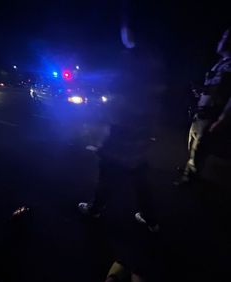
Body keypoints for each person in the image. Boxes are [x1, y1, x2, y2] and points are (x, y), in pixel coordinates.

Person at [78, 26, 163, 231]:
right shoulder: (155, 62)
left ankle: (94, 210)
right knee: (139, 176)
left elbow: (118, 99)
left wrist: (101, 135)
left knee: (108, 173)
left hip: (124, 131)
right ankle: (151, 220)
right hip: (141, 132)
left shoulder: (131, 60)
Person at [178, 28, 231, 185]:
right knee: (193, 145)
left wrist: (223, 119)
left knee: (199, 150)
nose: (221, 41)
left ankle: (190, 180)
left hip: (211, 115)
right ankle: (190, 170)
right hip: (201, 113)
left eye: (225, 37)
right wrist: (201, 91)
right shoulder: (221, 64)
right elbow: (216, 89)